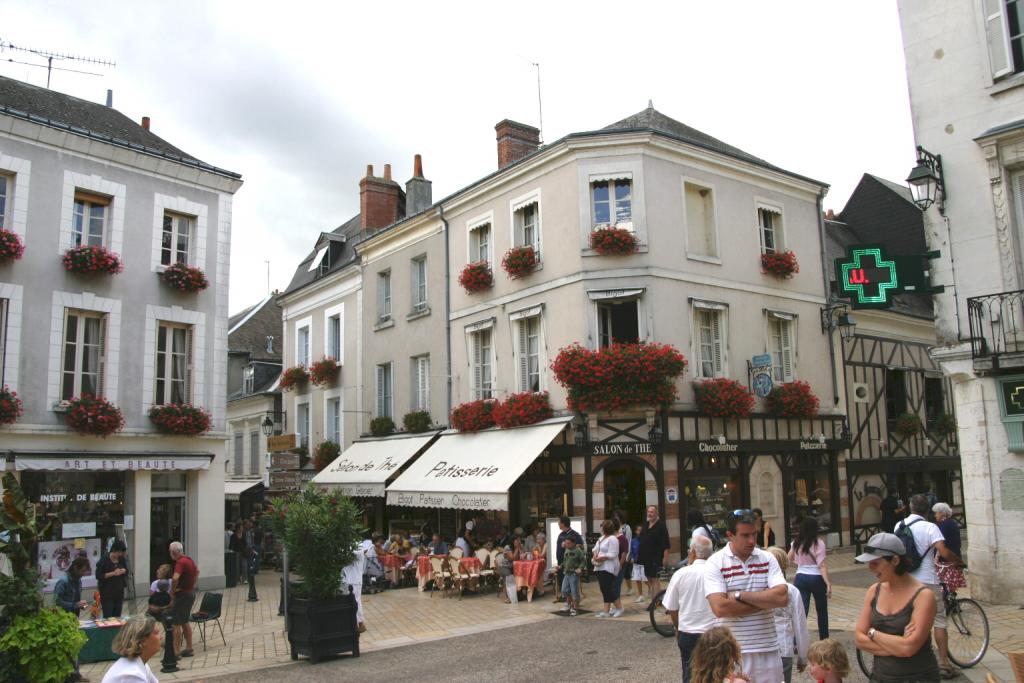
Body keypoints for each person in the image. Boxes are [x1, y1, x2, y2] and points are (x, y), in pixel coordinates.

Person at [704, 510, 788, 683]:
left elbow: (781, 597)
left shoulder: (767, 558)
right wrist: (765, 601)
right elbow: (720, 608)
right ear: (730, 535)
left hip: (768, 648)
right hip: (732, 652)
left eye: (754, 534)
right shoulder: (715, 562)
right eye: (745, 535)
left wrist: (738, 595)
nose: (752, 541)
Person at [854, 532, 940, 683]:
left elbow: (908, 648)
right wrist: (898, 646)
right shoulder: (874, 591)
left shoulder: (923, 596)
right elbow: (859, 639)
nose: (870, 568)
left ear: (895, 560)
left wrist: (873, 633)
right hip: (880, 677)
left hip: (918, 678)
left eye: (875, 563)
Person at [896, 494, 962, 678]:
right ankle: (943, 663)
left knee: (910, 620)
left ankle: (911, 658)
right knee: (939, 619)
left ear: (910, 507)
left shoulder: (899, 526)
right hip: (927, 579)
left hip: (906, 581)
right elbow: (943, 551)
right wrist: (958, 562)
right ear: (928, 510)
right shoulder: (930, 527)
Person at [664, 535, 717, 683]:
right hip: (714, 632)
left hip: (688, 631)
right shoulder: (718, 573)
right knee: (715, 674)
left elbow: (672, 607)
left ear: (692, 552)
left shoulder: (680, 574)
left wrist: (677, 626)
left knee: (690, 674)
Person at [766, 547, 809, 683]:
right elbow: (800, 626)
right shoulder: (792, 591)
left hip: (762, 649)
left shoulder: (758, 590)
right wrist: (802, 656)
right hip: (783, 648)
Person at [788, 515, 832, 640]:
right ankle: (824, 639)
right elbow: (822, 565)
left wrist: (799, 564)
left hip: (800, 577)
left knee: (801, 611)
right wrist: (828, 583)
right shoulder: (819, 543)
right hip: (817, 578)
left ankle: (796, 641)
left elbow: (787, 560)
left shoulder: (795, 543)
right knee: (822, 611)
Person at [55, 556, 92, 683]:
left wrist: (80, 605)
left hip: (74, 617)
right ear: (75, 568)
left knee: (75, 646)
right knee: (67, 648)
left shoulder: (79, 581)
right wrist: (73, 605)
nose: (83, 574)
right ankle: (68, 676)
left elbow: (76, 598)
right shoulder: (63, 581)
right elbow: (57, 601)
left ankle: (76, 675)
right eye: (82, 571)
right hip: (63, 619)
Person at [100, 616, 163, 683]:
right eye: (156, 633)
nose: (161, 637)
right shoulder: (132, 674)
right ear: (143, 641)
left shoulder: (140, 664)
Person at [168, 541, 198, 658]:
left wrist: (172, 590)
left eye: (170, 552)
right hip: (190, 593)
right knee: (185, 621)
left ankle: (176, 651)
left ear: (174, 552)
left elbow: (175, 578)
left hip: (182, 595)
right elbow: (197, 572)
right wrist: (192, 584)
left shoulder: (180, 563)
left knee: (176, 623)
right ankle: (189, 647)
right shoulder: (189, 560)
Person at [637, 505, 670, 603]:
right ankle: (658, 599)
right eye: (648, 512)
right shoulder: (646, 524)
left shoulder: (661, 525)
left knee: (655, 578)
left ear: (656, 513)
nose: (649, 514)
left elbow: (666, 543)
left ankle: (654, 602)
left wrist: (665, 557)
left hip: (656, 556)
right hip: (646, 557)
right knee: (649, 578)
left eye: (652, 512)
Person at [931, 502, 965, 593]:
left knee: (945, 586)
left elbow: (941, 543)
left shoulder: (944, 525)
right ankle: (952, 604)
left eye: (936, 512)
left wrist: (936, 557)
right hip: (953, 557)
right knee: (950, 586)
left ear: (942, 513)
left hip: (946, 560)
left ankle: (949, 604)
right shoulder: (951, 523)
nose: (935, 515)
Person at [592, 519, 621, 618]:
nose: (601, 528)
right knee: (604, 589)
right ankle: (606, 611)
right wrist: (595, 555)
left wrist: (601, 558)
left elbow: (613, 553)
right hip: (600, 567)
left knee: (608, 589)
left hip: (609, 567)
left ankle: (619, 608)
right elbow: (595, 549)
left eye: (602, 526)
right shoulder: (601, 538)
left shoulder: (613, 539)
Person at [342, 532, 370, 633]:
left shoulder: (357, 547)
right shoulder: (351, 547)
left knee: (356, 601)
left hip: (354, 580)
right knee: (352, 601)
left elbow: (349, 555)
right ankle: (356, 623)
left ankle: (360, 624)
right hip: (348, 580)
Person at [553, 516, 584, 604]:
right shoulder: (561, 534)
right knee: (563, 584)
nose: (558, 524)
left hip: (572, 565)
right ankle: (566, 599)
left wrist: (567, 546)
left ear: (563, 523)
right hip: (562, 563)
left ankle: (573, 603)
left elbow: (580, 546)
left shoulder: (574, 534)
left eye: (559, 523)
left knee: (572, 586)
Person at [95, 540, 129, 618]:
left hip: (119, 592)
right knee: (108, 616)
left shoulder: (122, 559)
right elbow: (99, 576)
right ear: (114, 550)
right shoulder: (104, 560)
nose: (120, 554)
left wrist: (124, 571)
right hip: (107, 593)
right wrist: (113, 573)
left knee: (117, 616)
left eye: (121, 553)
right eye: (118, 552)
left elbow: (127, 571)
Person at [559, 535, 586, 616]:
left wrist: (580, 568)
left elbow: (583, 561)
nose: (566, 545)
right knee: (564, 590)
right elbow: (565, 561)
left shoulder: (578, 551)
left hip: (574, 574)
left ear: (574, 543)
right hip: (566, 573)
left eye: (568, 543)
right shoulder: (566, 550)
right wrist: (560, 566)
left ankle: (575, 608)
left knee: (574, 591)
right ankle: (569, 603)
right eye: (566, 543)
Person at [629, 524, 645, 600]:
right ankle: (640, 595)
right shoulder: (633, 541)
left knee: (645, 580)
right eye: (638, 530)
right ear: (636, 531)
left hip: (643, 563)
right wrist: (632, 557)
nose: (640, 531)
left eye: (641, 530)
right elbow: (631, 551)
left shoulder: (645, 540)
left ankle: (651, 589)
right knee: (637, 579)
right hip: (636, 563)